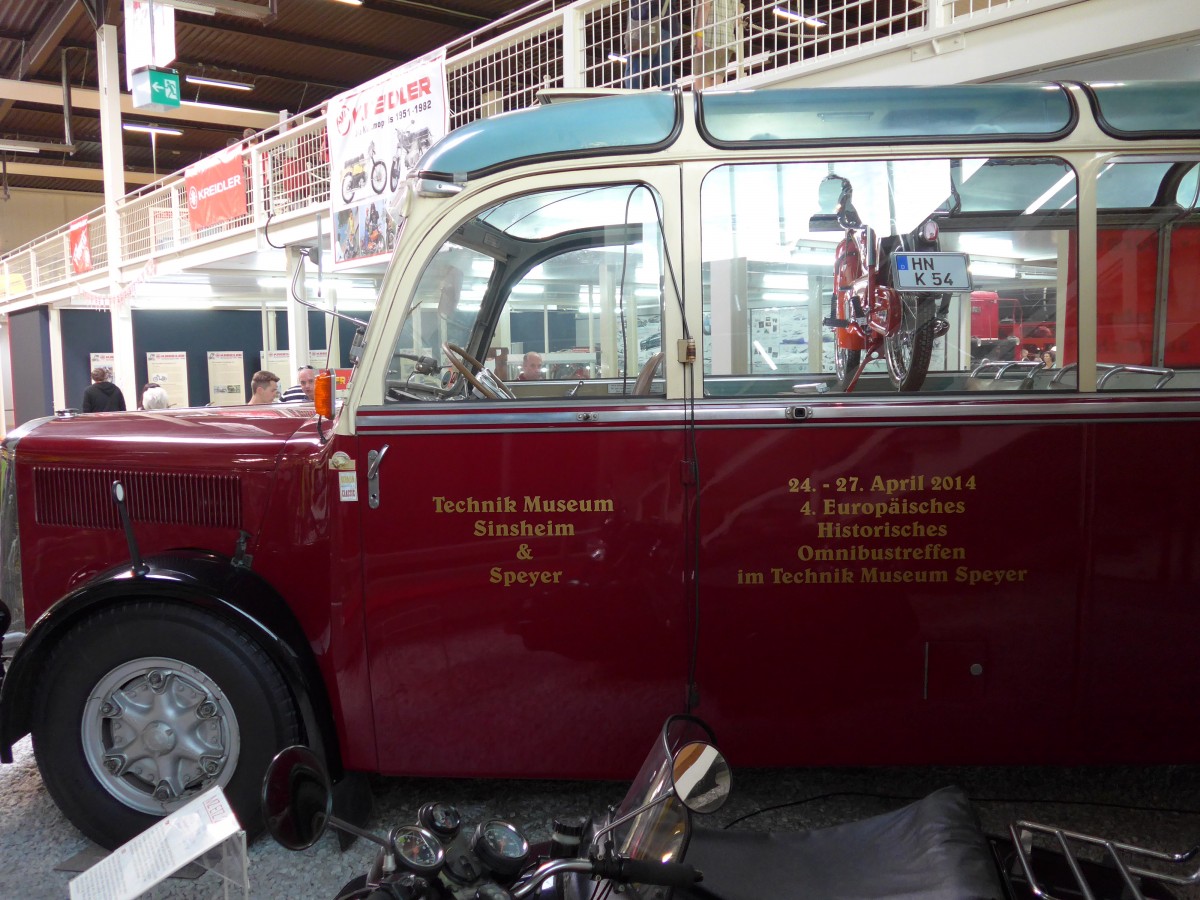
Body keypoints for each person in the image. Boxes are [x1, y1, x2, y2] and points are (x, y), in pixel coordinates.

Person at [625, 0, 674, 89]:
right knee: (665, 77)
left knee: (633, 77)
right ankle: (674, 101)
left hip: (646, 24)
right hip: (668, 25)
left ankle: (635, 102)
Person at [693, 0, 740, 90]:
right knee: (716, 87)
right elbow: (737, 20)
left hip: (709, 37)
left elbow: (705, 5)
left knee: (701, 89)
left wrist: (699, 34)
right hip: (727, 40)